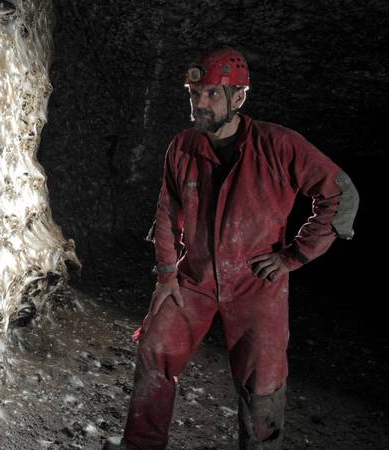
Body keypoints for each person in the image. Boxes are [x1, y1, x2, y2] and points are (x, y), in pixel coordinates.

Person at [121, 48, 360, 449]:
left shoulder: (278, 144)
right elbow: (166, 212)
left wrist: (295, 256)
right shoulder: (182, 146)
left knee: (263, 381)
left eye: (213, 93)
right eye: (194, 93)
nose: (200, 103)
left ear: (239, 98)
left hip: (255, 283)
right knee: (155, 347)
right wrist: (165, 275)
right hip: (194, 278)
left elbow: (341, 194)